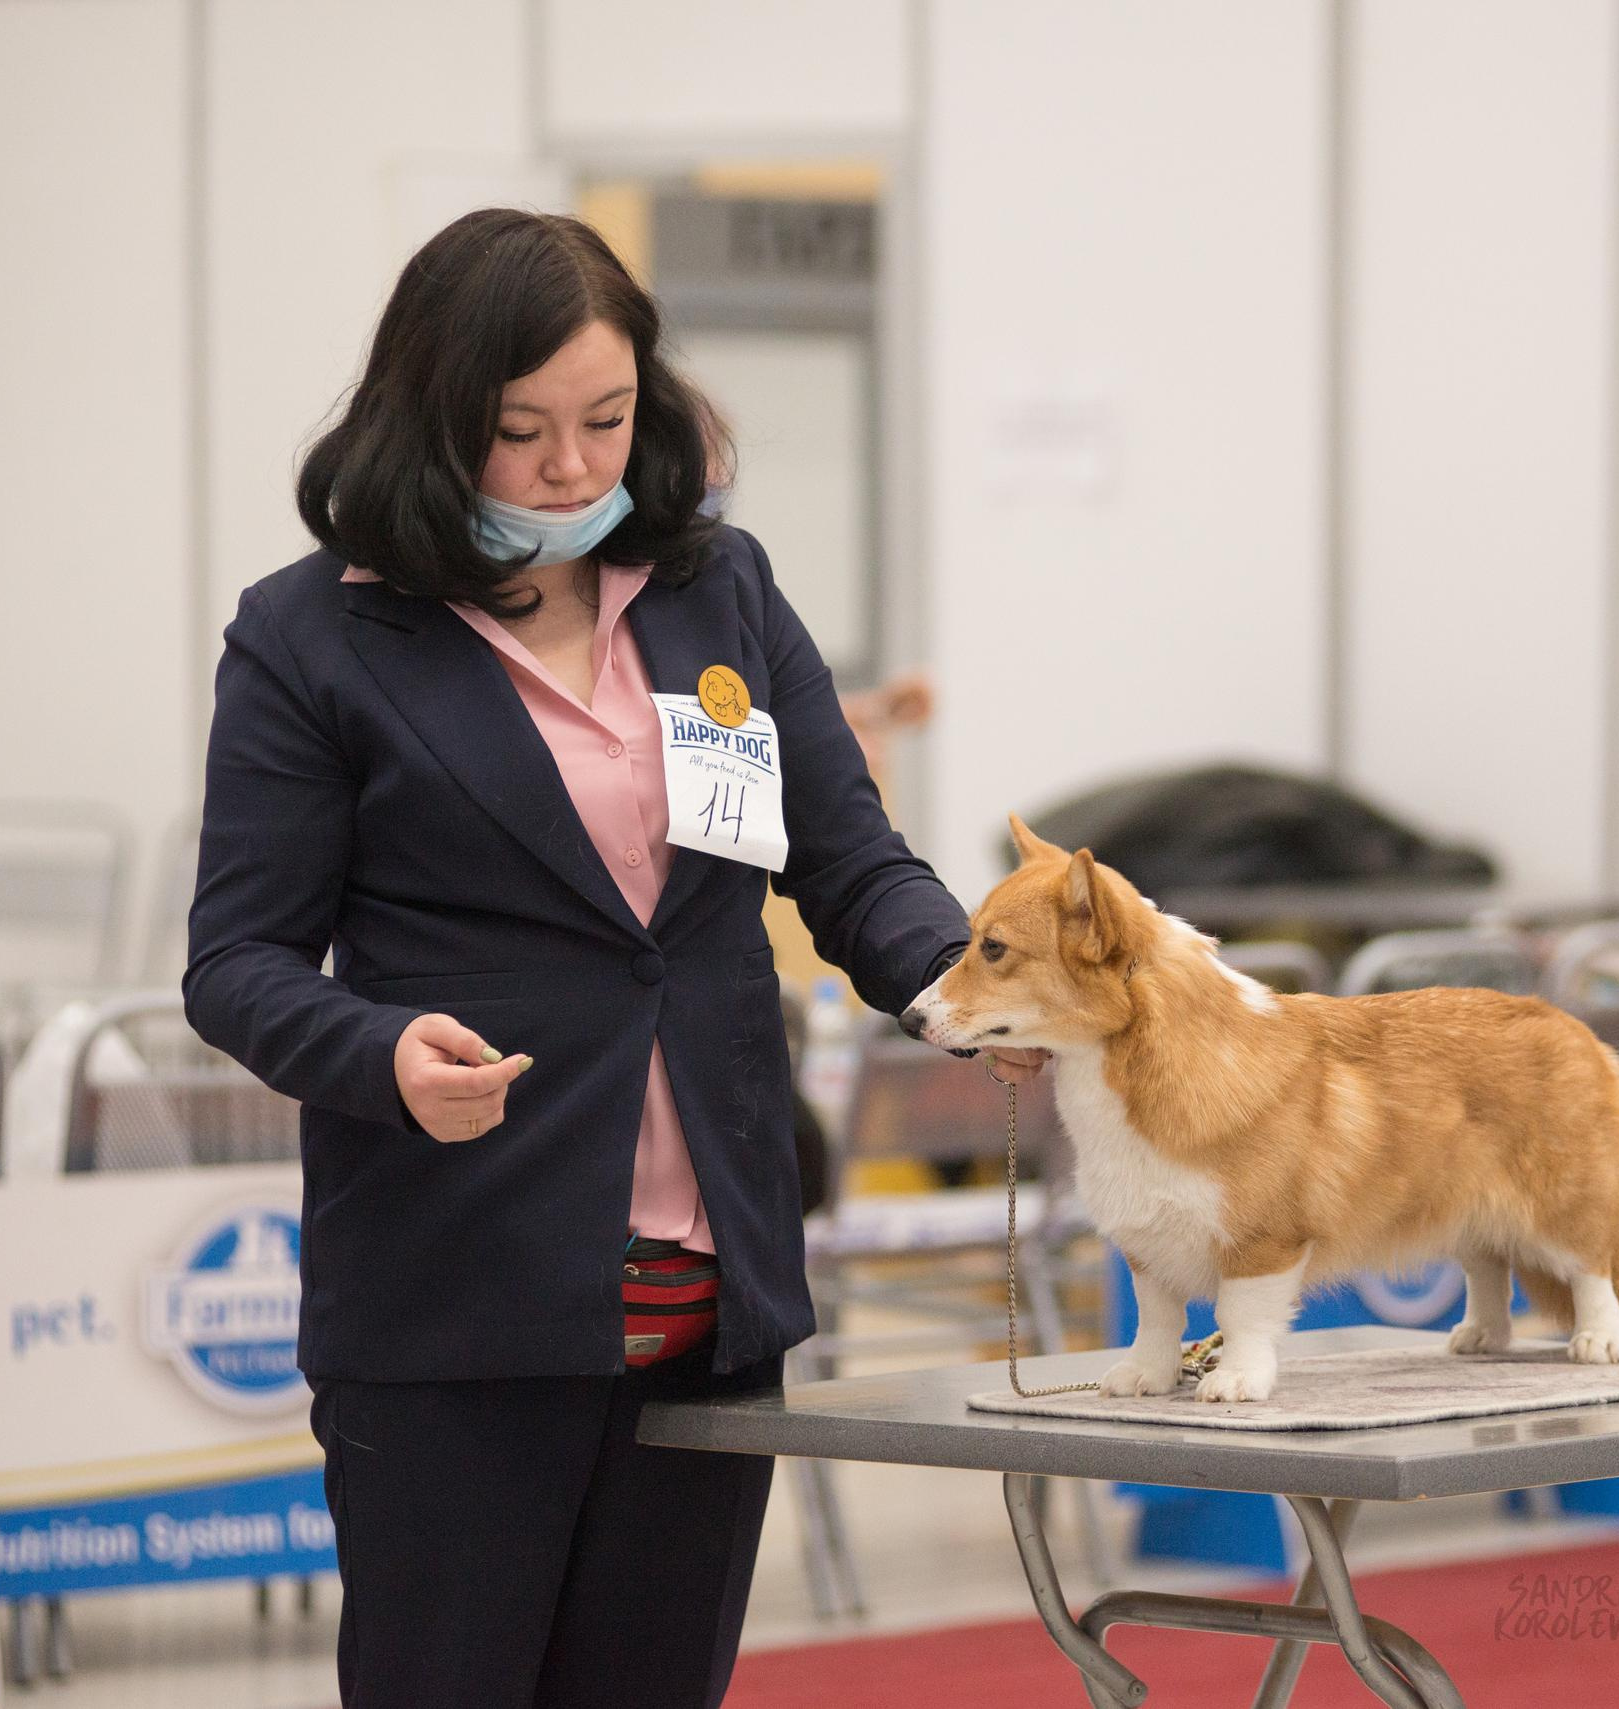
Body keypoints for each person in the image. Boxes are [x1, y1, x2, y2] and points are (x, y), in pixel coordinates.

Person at [184, 208, 1036, 1708]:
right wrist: (375, 1051)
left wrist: (962, 989)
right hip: (462, 1290)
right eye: (521, 432)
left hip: (707, 1297)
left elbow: (845, 855)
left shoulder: (717, 585)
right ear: (432, 414)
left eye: (606, 419)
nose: (572, 468)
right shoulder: (312, 637)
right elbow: (239, 960)